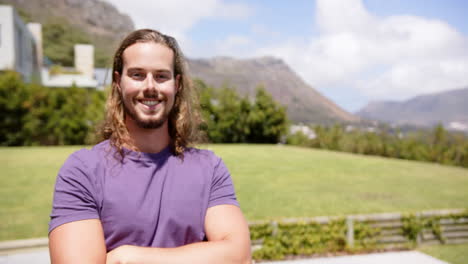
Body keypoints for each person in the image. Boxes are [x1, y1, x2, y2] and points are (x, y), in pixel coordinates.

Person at [48, 29, 252, 264]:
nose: (150, 86)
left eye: (161, 76)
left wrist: (129, 257)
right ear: (118, 81)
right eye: (137, 74)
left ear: (176, 85)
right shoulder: (83, 171)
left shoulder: (210, 168)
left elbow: (239, 256)